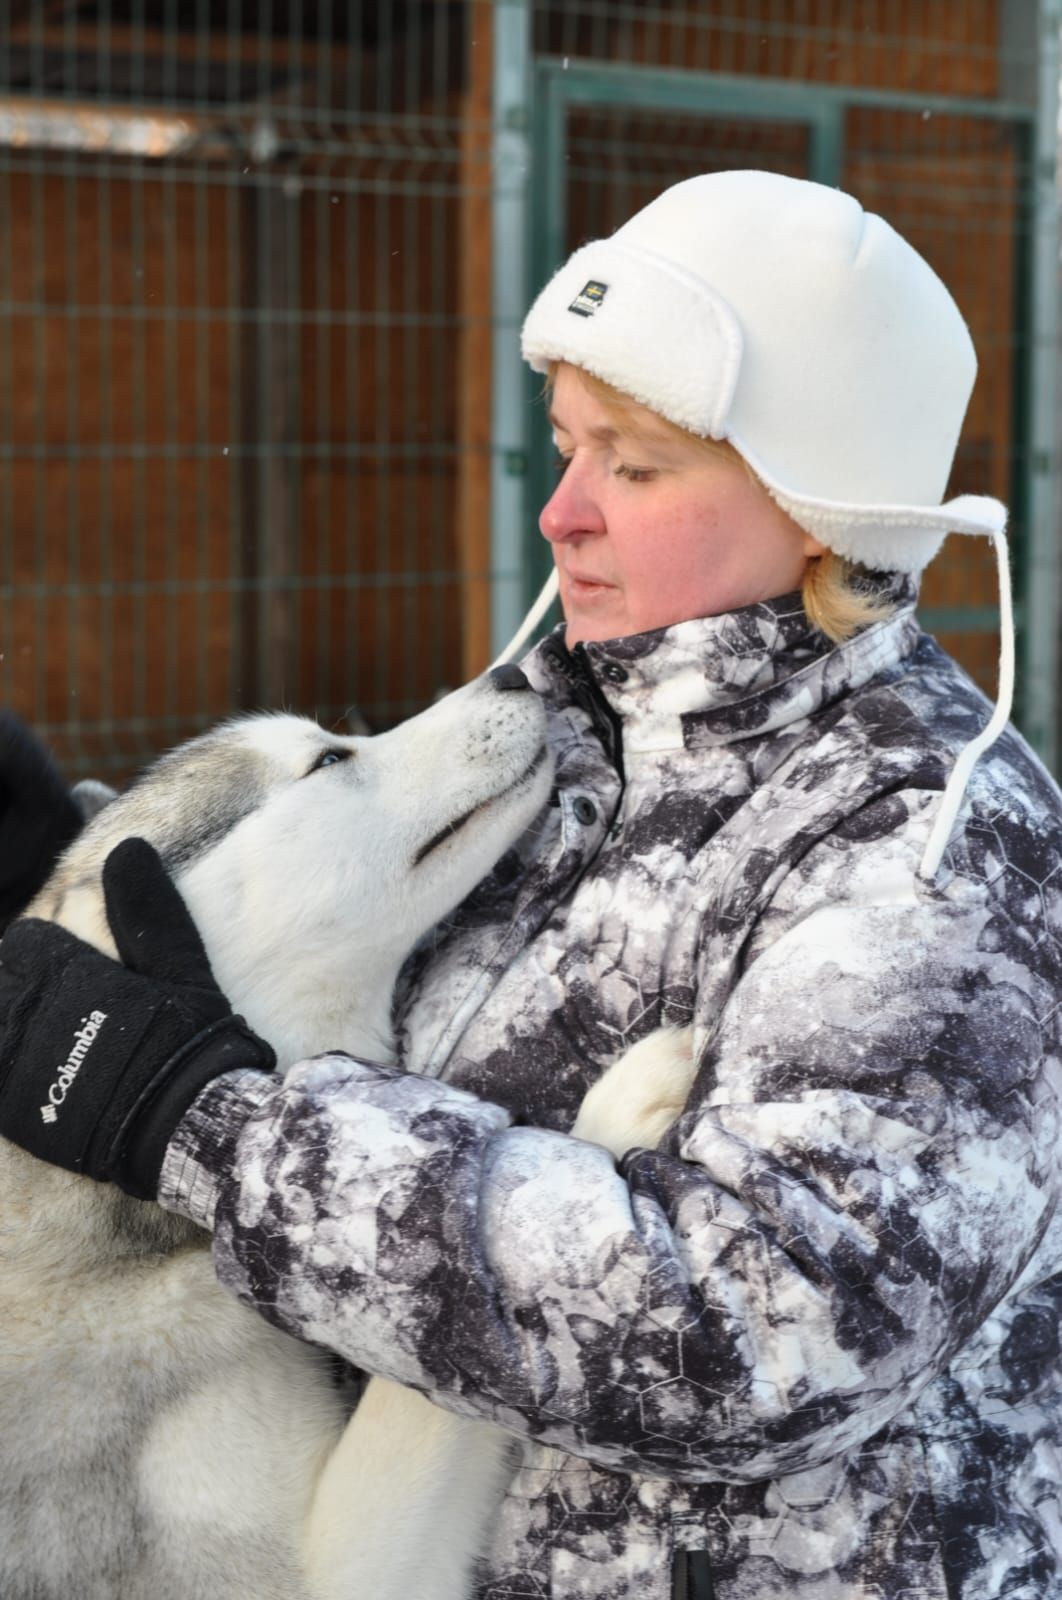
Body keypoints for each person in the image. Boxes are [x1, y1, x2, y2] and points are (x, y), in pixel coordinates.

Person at [2, 168, 1061, 1600]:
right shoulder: (570, 747)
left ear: (821, 510)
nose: (560, 512)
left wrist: (211, 1123)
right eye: (562, 447)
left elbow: (757, 1338)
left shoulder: (929, 847)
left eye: (629, 465)